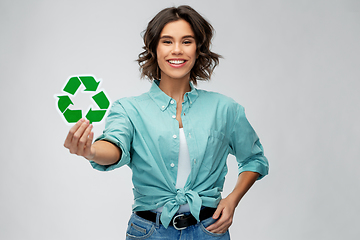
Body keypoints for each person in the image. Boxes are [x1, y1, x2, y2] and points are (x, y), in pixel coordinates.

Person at [64, 5, 269, 240]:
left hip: (209, 230)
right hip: (149, 232)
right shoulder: (128, 109)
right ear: (154, 48)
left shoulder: (225, 109)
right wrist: (90, 150)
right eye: (167, 41)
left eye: (187, 41)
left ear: (198, 48)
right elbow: (114, 146)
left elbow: (254, 158)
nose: (177, 50)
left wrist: (232, 200)